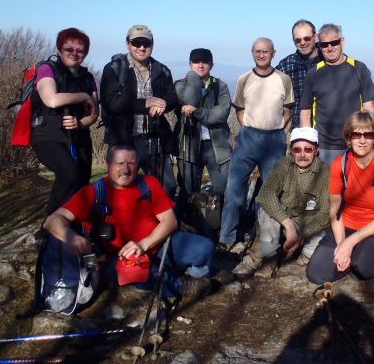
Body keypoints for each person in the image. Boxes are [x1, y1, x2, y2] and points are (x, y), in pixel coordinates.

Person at [43, 145, 215, 300]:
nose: (125, 169)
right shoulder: (92, 193)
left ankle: (193, 274)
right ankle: (183, 286)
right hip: (117, 258)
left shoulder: (148, 184)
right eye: (120, 163)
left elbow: (170, 222)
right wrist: (71, 237)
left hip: (157, 245)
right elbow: (52, 221)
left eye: (131, 163)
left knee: (206, 248)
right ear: (107, 164)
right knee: (137, 273)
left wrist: (143, 245)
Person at [218, 38, 294, 251]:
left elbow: (288, 108)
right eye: (258, 51)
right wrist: (249, 127)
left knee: (271, 192)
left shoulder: (283, 79)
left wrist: (277, 126)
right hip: (248, 138)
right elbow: (239, 109)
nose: (261, 55)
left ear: (273, 53)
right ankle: (227, 236)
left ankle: (268, 241)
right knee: (234, 188)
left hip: (274, 140)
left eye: (266, 51)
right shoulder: (244, 79)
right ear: (252, 52)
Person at [307, 111, 374, 284]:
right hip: (346, 225)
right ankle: (353, 257)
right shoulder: (339, 164)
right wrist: (342, 244)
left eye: (368, 135)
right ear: (348, 138)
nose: (362, 140)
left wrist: (350, 243)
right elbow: (335, 213)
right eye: (356, 134)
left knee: (365, 267)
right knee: (316, 273)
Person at [233, 127, 330, 278]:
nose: (302, 154)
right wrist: (288, 224)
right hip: (284, 218)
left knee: (320, 238)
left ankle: (303, 252)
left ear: (316, 150)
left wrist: (302, 235)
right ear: (291, 150)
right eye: (297, 150)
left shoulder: (325, 172)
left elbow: (325, 213)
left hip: (309, 223)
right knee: (265, 211)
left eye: (308, 149)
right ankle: (270, 258)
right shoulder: (283, 165)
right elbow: (265, 194)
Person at [99, 25, 178, 197]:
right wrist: (146, 103)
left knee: (166, 188)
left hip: (155, 140)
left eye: (146, 43)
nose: (141, 47)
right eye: (136, 43)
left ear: (152, 44)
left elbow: (173, 97)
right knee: (122, 191)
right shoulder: (114, 69)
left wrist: (163, 103)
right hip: (124, 141)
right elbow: (111, 102)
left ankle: (162, 223)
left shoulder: (162, 70)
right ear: (127, 44)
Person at [31, 28, 98, 215]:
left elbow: (94, 113)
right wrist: (82, 96)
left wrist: (79, 123)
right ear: (59, 49)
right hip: (47, 136)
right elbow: (51, 99)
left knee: (81, 183)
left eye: (80, 50)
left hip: (79, 136)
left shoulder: (88, 77)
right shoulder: (47, 69)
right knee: (68, 174)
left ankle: (73, 225)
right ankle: (48, 228)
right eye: (69, 49)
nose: (74, 54)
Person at [300, 24, 374, 166]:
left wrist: (367, 140)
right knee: (324, 188)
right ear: (319, 46)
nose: (330, 48)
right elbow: (305, 112)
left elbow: (368, 109)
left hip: (354, 144)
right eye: (324, 44)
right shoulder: (314, 73)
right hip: (323, 147)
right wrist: (309, 145)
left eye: (334, 42)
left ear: (342, 41)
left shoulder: (359, 69)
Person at [174, 48, 232, 218]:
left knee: (221, 191)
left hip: (218, 147)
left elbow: (222, 114)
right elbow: (188, 100)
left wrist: (197, 112)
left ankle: (218, 228)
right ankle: (190, 227)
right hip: (189, 146)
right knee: (188, 191)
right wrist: (193, 79)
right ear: (190, 64)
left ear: (211, 64)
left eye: (205, 61)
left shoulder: (220, 85)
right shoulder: (180, 84)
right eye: (196, 61)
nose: (200, 65)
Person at [277, 19, 322, 130]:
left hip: (328, 133)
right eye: (298, 40)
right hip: (299, 134)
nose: (302, 43)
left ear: (315, 38)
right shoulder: (286, 65)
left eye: (307, 38)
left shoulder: (328, 60)